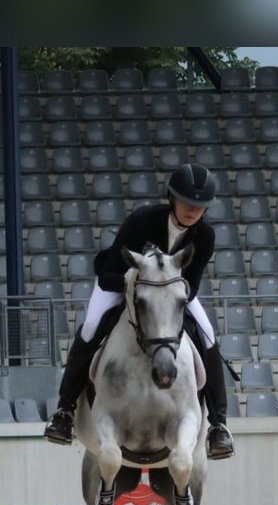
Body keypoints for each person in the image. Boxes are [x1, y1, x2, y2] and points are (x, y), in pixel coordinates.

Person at [43, 162, 235, 460]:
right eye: (187, 202)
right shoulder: (144, 219)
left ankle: (218, 426)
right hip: (120, 283)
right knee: (93, 326)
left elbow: (192, 286)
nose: (192, 210)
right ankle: (64, 411)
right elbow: (109, 271)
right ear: (172, 198)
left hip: (171, 293)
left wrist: (165, 291)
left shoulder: (204, 236)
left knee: (208, 335)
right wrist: (139, 284)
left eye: (199, 206)